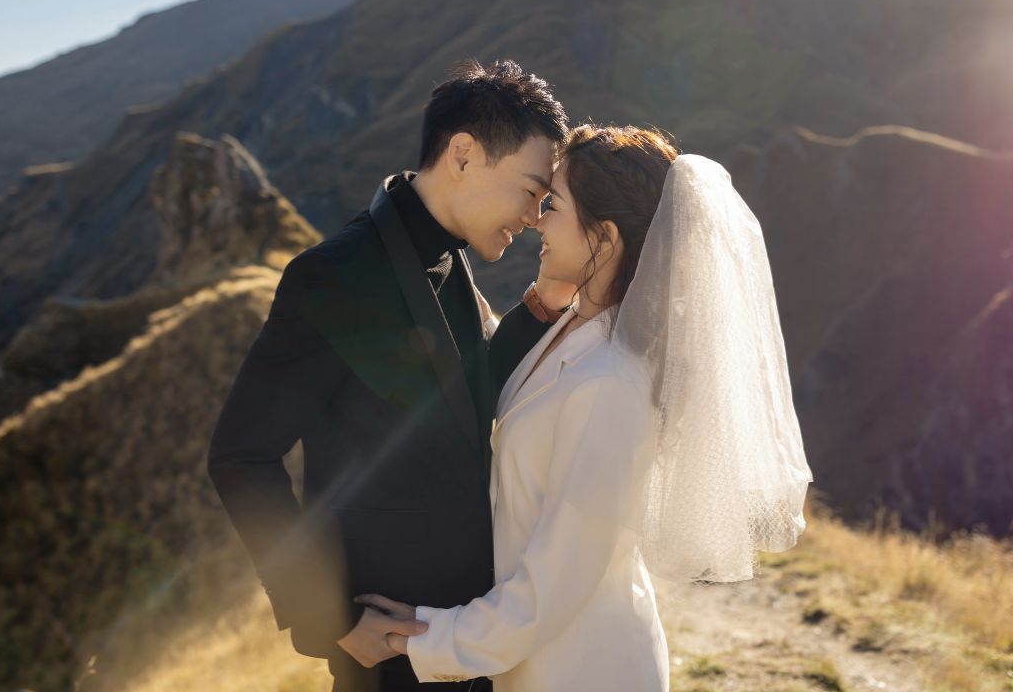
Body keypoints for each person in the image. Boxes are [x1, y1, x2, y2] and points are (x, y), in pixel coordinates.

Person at [355, 125, 815, 691]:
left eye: (556, 206)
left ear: (605, 238)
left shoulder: (611, 385)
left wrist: (421, 635)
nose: (537, 219)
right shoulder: (575, 329)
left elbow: (553, 587)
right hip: (538, 660)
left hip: (582, 668)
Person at [207, 58, 576, 691]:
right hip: (388, 651)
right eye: (532, 190)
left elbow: (461, 400)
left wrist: (543, 306)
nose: (536, 215)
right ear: (463, 154)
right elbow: (241, 456)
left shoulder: (448, 258)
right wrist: (330, 620)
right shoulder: (334, 275)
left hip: (463, 631)